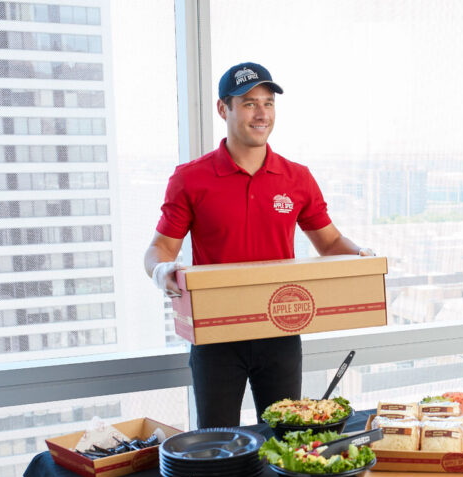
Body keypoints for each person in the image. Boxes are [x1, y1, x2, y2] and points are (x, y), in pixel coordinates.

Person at [144, 62, 372, 428]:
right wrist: (162, 272)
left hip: (280, 328)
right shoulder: (191, 178)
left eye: (268, 103)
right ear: (224, 109)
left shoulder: (297, 177)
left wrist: (362, 256)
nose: (261, 113)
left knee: (285, 436)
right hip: (216, 333)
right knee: (219, 442)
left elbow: (329, 243)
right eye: (249, 103)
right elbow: (160, 249)